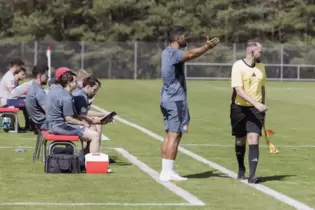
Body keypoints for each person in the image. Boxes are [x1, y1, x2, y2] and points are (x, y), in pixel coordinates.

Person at [159, 26, 219, 181]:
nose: (186, 39)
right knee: (175, 136)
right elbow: (190, 54)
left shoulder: (166, 52)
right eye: (184, 36)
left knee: (168, 135)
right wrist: (206, 47)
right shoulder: (174, 53)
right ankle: (168, 172)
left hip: (166, 99)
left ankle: (165, 170)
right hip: (175, 100)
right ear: (178, 38)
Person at [230, 39, 267, 184]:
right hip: (239, 108)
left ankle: (252, 175)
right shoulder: (238, 66)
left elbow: (262, 87)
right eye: (260, 51)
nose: (261, 53)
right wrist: (256, 103)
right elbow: (238, 90)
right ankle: (241, 168)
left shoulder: (262, 67)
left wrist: (262, 104)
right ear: (252, 51)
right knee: (240, 140)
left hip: (256, 109)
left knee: (254, 138)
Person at [45, 70, 101, 153]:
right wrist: (83, 124)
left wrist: (87, 120)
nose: (77, 83)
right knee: (94, 135)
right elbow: (69, 119)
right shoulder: (66, 98)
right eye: (75, 81)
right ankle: (94, 164)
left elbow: (71, 116)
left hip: (51, 124)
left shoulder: (57, 88)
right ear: (69, 83)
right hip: (58, 127)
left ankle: (85, 157)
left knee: (91, 128)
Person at [25, 65, 49, 130]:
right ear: (39, 76)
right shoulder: (39, 91)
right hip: (46, 124)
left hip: (40, 123)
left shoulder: (33, 87)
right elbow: (49, 111)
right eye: (46, 75)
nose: (48, 77)